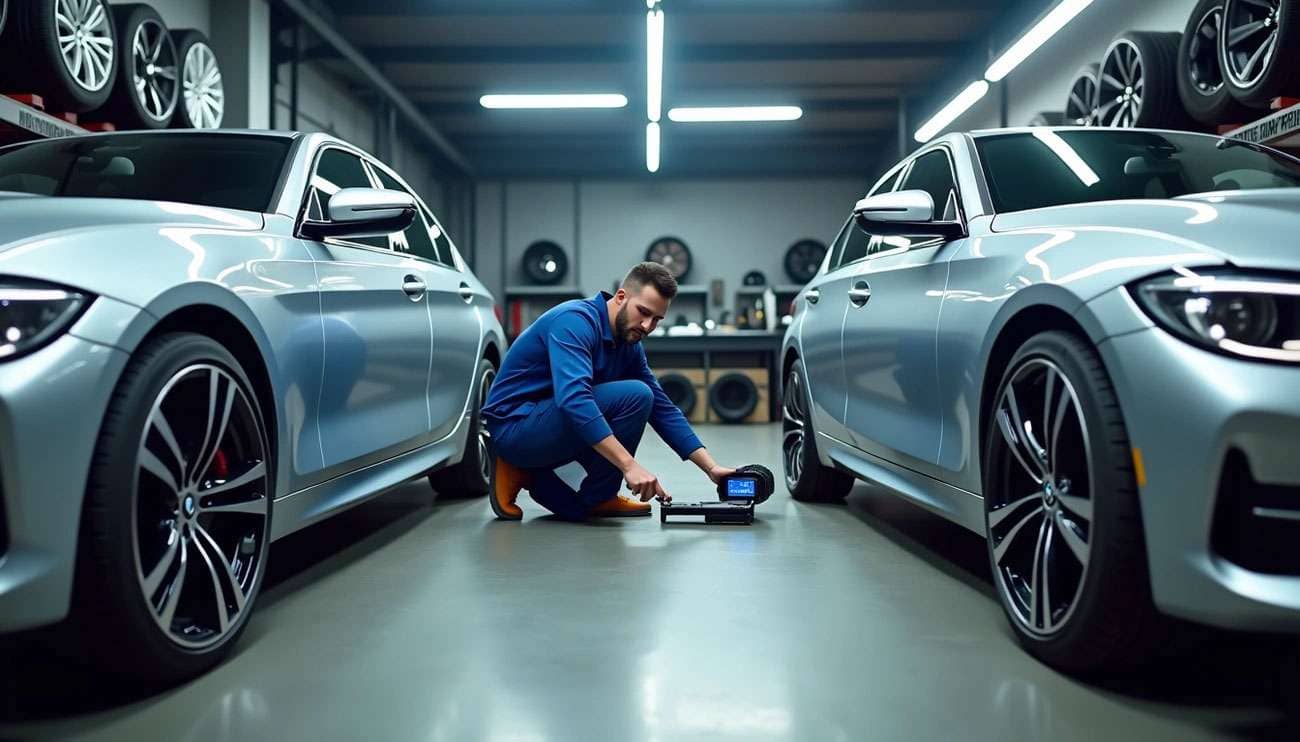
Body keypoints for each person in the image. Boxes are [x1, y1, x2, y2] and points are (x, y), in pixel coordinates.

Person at [481, 262, 736, 520]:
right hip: (516, 427)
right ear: (621, 297)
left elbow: (663, 409)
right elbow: (574, 399)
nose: (647, 326)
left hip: (550, 422)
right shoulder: (574, 322)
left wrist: (711, 468)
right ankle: (515, 463)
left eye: (657, 319)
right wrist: (629, 466)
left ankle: (595, 495)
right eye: (643, 312)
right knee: (636, 395)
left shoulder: (628, 342)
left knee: (578, 510)